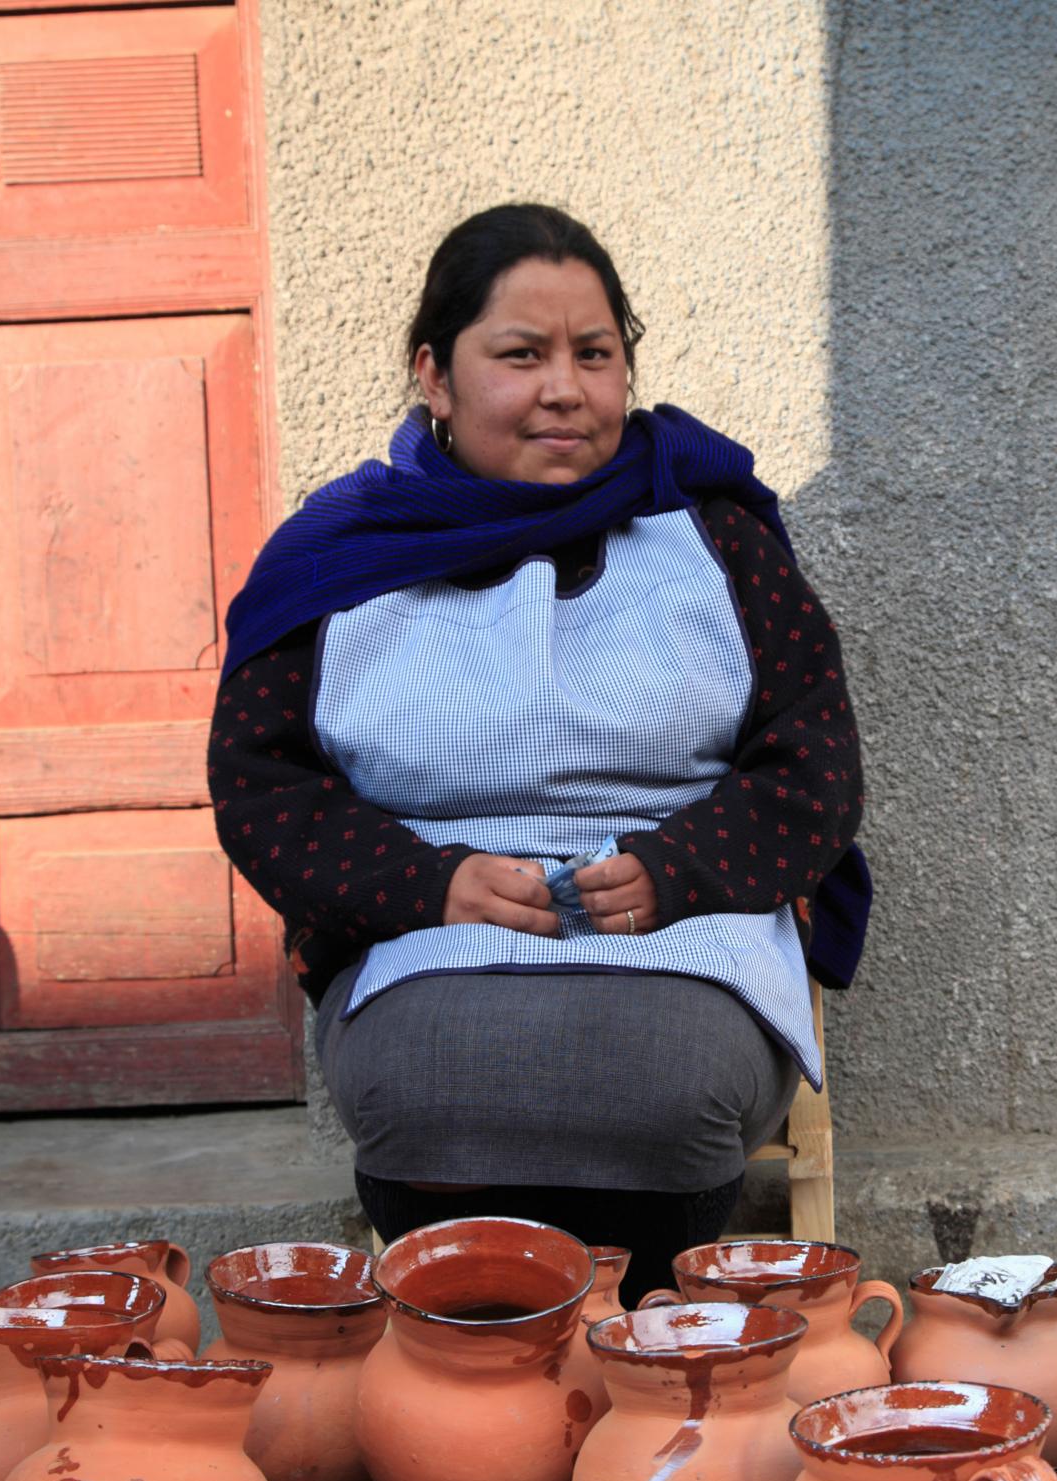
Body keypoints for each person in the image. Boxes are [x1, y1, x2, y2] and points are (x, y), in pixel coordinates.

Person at [211, 204, 867, 1297]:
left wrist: (677, 868)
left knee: (662, 1087)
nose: (566, 387)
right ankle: (475, 1356)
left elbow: (815, 767)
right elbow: (261, 782)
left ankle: (653, 1329)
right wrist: (428, 884)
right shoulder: (340, 559)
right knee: (431, 1086)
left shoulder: (716, 541)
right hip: (423, 932)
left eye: (595, 355)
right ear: (436, 374)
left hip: (685, 930)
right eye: (521, 355)